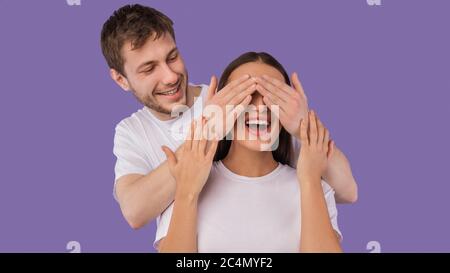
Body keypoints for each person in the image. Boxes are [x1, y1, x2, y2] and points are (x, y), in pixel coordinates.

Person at [100, 4, 357, 235]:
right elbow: (135, 211)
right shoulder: (132, 132)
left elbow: (348, 191)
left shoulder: (233, 98)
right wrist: (206, 133)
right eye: (149, 68)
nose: (170, 76)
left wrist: (303, 127)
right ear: (120, 79)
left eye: (172, 57)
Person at [158, 52, 342, 252]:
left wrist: (310, 180)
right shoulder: (185, 184)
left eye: (274, 96)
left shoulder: (316, 188)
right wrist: (187, 192)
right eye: (244, 94)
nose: (260, 106)